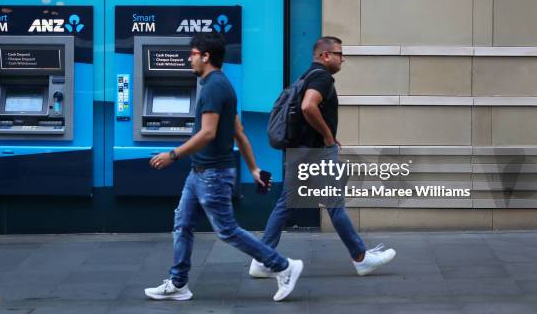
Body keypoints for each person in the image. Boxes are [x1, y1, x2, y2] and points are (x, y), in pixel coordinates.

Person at [145, 33, 303, 302]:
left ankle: (283, 266)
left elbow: (208, 133)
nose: (189, 58)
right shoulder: (220, 85)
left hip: (212, 174)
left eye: (193, 53)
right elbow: (239, 132)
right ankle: (179, 283)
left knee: (227, 230)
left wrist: (172, 154)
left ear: (206, 57)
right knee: (182, 224)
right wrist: (253, 169)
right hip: (199, 174)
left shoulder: (214, 88)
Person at [249, 36, 396, 279]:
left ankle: (262, 260)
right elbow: (308, 106)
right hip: (316, 152)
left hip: (299, 151)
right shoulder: (322, 77)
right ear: (325, 55)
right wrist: (328, 136)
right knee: (335, 205)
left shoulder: (306, 76)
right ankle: (361, 258)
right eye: (339, 53)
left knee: (285, 205)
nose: (343, 58)